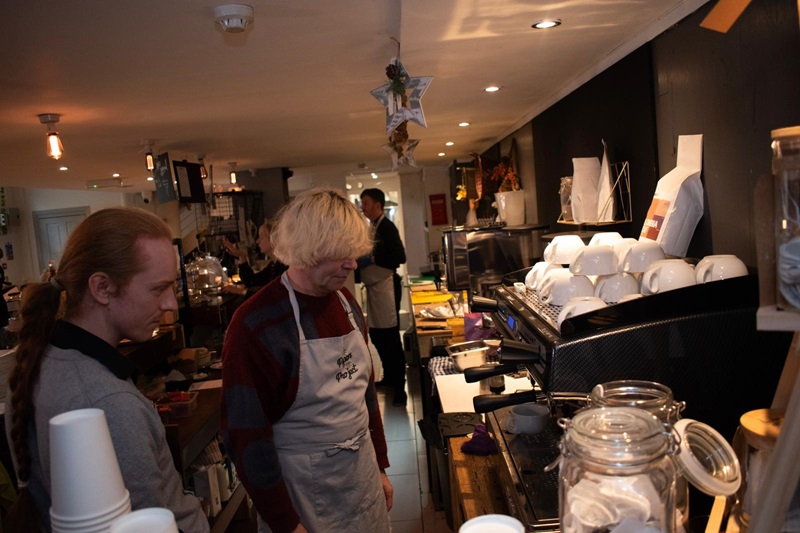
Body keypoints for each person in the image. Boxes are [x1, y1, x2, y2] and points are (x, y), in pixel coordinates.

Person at [4, 207, 208, 533]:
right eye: (158, 289)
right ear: (102, 288)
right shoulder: (106, 402)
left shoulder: (40, 360)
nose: (171, 303)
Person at [221, 188, 393, 533]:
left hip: (363, 484)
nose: (352, 263)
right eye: (340, 254)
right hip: (303, 503)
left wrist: (380, 466)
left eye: (354, 253)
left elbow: (365, 395)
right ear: (306, 249)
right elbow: (246, 436)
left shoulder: (346, 302)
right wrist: (286, 524)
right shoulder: (257, 324)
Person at [358, 188, 408, 406]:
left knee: (389, 337)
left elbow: (400, 256)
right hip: (375, 288)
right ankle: (389, 377)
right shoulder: (373, 227)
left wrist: (372, 257)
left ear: (378, 204)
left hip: (387, 287)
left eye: (366, 203)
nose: (363, 207)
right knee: (378, 335)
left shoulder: (386, 226)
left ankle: (400, 387)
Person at [220, 219, 287, 296]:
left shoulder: (283, 268)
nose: (257, 241)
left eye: (261, 236)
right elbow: (251, 281)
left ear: (273, 239)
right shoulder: (274, 265)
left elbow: (268, 296)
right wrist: (241, 255)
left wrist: (239, 291)